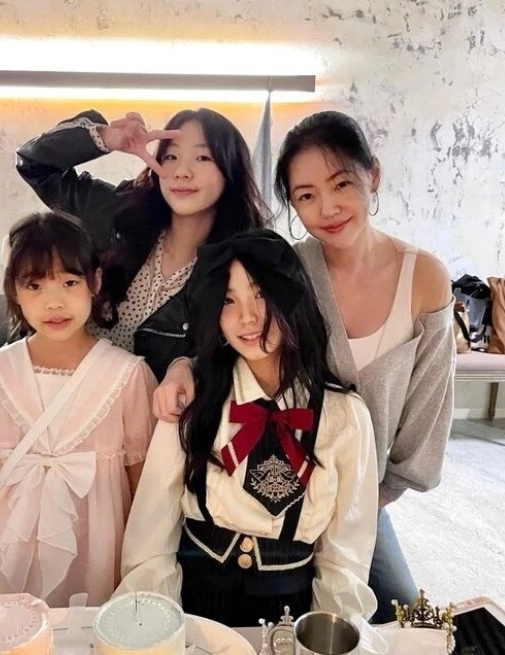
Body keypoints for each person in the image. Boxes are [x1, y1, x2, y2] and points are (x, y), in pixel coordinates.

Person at [154, 111, 455, 624]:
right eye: (306, 196)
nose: (327, 208)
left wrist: (352, 506)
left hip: (364, 492)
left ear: (372, 175)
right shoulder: (289, 270)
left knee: (393, 617)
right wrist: (183, 364)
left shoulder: (424, 277)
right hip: (266, 481)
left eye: (342, 185)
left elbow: (428, 409)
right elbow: (234, 335)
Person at [117, 229, 378, 627]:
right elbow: (151, 535)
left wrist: (329, 633)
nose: (248, 317)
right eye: (228, 300)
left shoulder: (344, 417)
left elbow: (345, 557)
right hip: (196, 602)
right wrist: (153, 627)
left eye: (260, 293)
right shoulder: (193, 401)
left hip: (292, 610)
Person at [0, 212, 157, 613]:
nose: (54, 302)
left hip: (98, 570)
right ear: (15, 292)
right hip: (3, 563)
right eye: (35, 285)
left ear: (95, 282)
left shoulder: (127, 378)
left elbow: (146, 500)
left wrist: (141, 592)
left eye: (69, 282)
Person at [16, 108, 267, 380]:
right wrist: (107, 138)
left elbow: (241, 356)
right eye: (171, 157)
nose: (182, 172)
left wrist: (187, 366)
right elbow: (33, 164)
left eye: (203, 157)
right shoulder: (118, 216)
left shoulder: (239, 266)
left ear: (230, 170)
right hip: (47, 385)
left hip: (146, 405)